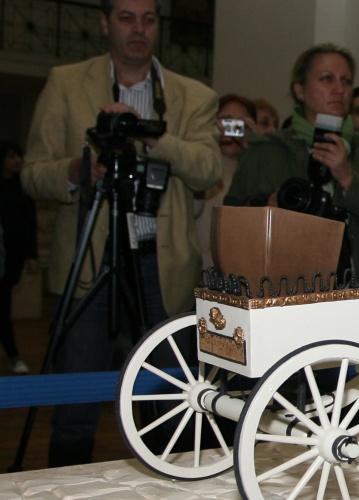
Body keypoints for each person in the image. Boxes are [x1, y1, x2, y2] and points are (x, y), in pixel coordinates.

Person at [21, 0, 221, 466]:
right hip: (89, 257)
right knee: (76, 401)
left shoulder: (193, 95)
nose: (139, 29)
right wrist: (77, 169)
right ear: (105, 23)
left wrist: (153, 137)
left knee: (171, 400)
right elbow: (32, 174)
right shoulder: (66, 83)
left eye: (149, 20)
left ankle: (172, 483)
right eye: (127, 18)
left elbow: (207, 169)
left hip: (161, 263)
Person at [224, 44, 359, 324]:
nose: (339, 89)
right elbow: (232, 226)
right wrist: (267, 208)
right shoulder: (268, 152)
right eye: (326, 79)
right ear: (300, 90)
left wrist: (349, 178)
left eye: (346, 81)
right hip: (283, 297)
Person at [194, 93, 256, 268]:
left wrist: (256, 150)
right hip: (200, 268)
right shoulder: (200, 167)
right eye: (226, 121)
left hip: (241, 268)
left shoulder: (255, 173)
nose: (232, 130)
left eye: (240, 124)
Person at [0, 141, 37, 375]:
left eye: (18, 156)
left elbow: (29, 223)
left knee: (3, 308)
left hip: (9, 259)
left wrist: (31, 255)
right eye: (11, 156)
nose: (17, 161)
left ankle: (13, 356)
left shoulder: (23, 187)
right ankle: (13, 353)